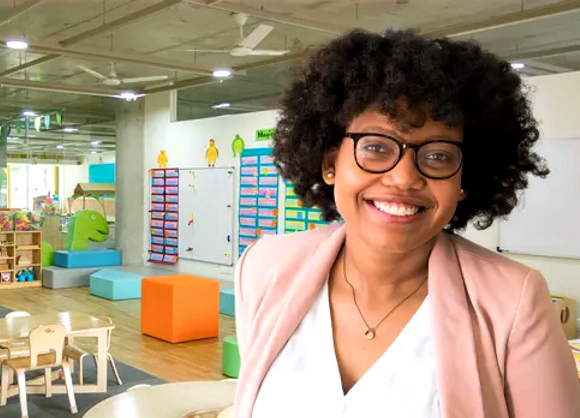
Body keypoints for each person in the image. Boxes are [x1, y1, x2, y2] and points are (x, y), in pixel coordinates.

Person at [233, 29, 580, 418]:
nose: (403, 178)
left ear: (464, 180)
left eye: (437, 156)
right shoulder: (264, 268)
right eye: (377, 147)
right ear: (331, 163)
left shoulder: (513, 302)